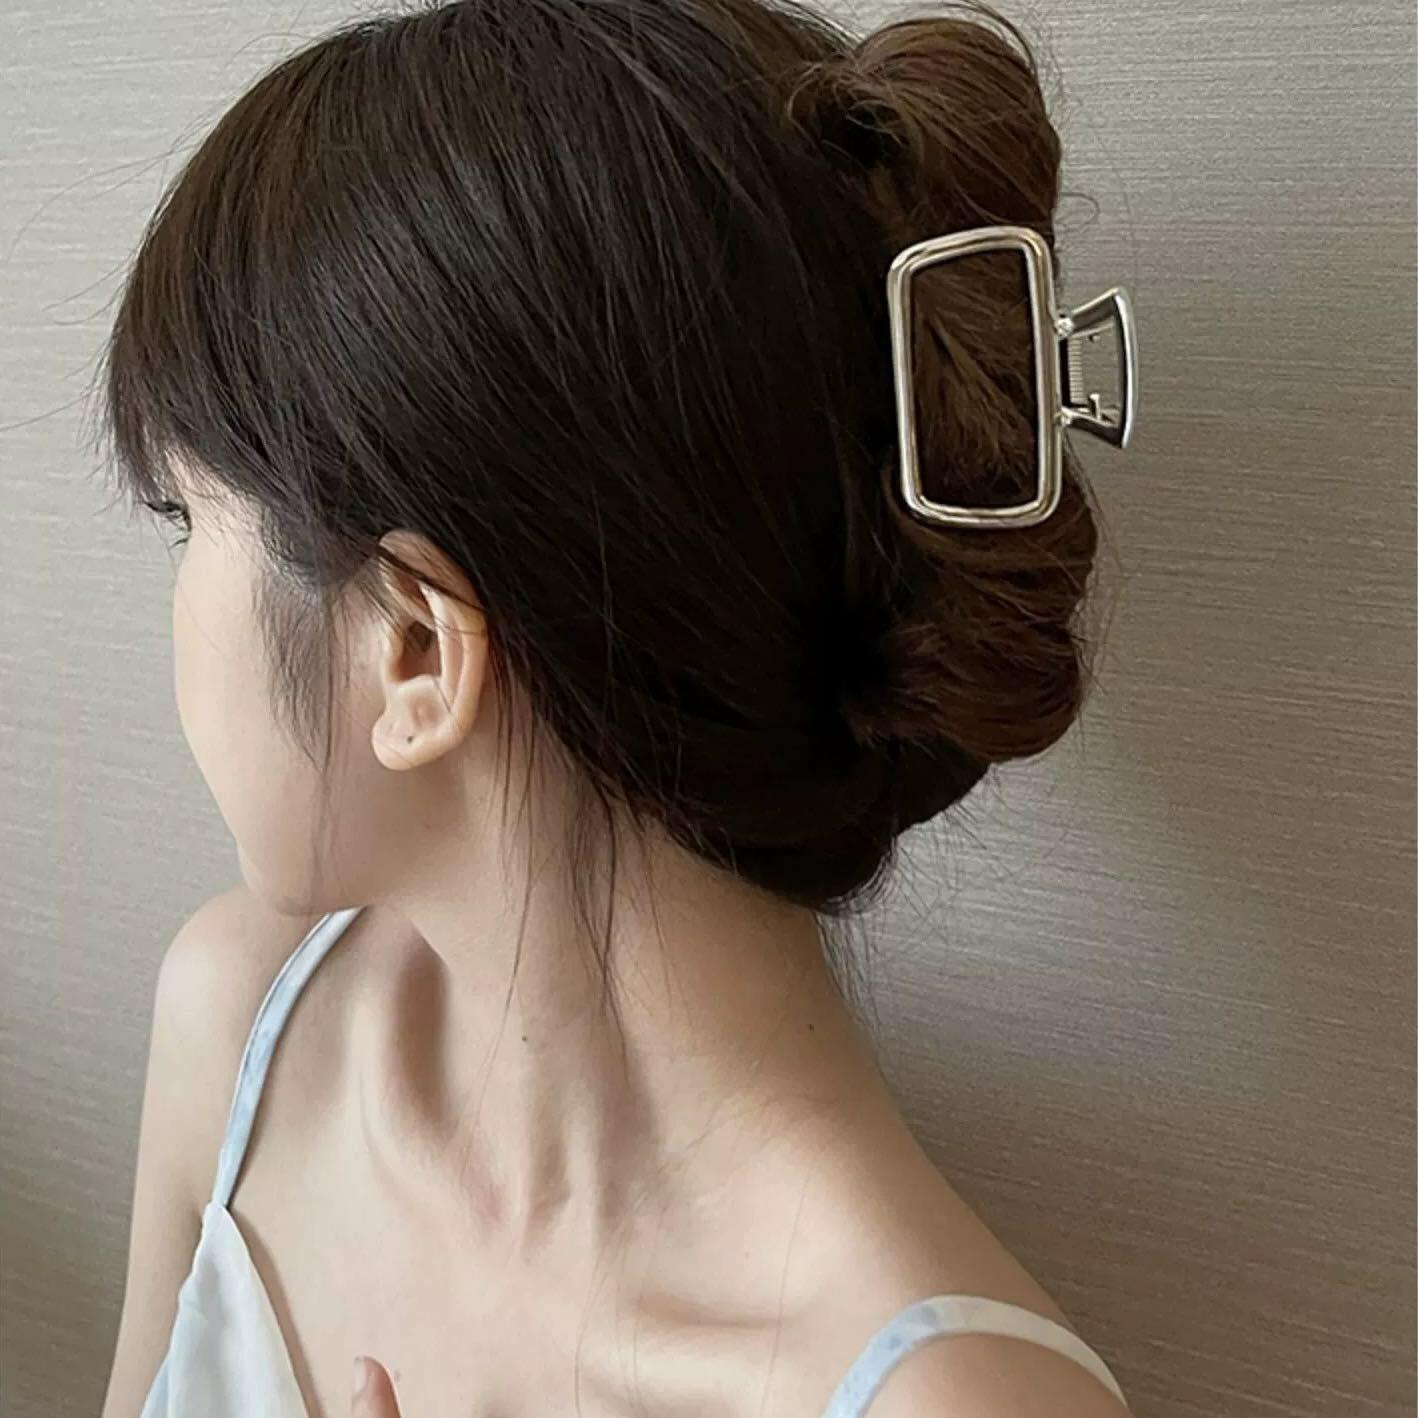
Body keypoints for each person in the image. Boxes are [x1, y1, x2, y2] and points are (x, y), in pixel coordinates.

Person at [94, 0, 1139, 1414]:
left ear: (415, 648)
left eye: (184, 516)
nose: (172, 591)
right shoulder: (238, 1025)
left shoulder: (951, 1403)